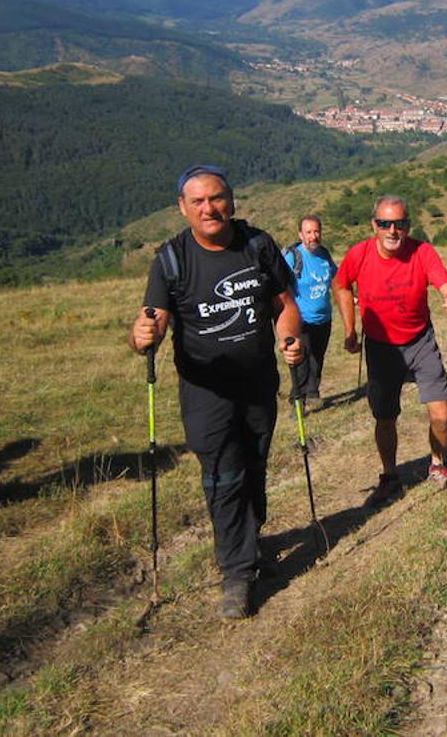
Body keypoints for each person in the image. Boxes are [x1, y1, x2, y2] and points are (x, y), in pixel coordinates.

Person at [128, 164, 303, 619]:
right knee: (224, 474)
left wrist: (291, 337)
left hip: (259, 382)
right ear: (183, 208)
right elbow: (157, 322)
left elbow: (284, 304)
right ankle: (238, 573)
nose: (210, 208)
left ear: (232, 200)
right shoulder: (172, 260)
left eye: (218, 197)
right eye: (199, 201)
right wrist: (142, 336)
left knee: (255, 466)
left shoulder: (258, 245)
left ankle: (249, 538)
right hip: (206, 391)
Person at [333, 195, 447, 506]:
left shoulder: (422, 251)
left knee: (442, 417)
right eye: (385, 224)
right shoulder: (359, 254)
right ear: (373, 225)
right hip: (381, 348)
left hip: (420, 341)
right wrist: (350, 328)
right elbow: (341, 284)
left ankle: (437, 465)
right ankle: (390, 476)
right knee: (385, 417)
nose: (393, 231)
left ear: (408, 226)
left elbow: (446, 285)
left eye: (400, 224)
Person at [283, 215, 338, 411]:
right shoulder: (292, 257)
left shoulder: (324, 254)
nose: (313, 236)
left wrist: (354, 298)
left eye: (316, 231)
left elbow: (335, 279)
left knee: (317, 358)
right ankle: (297, 401)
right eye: (308, 232)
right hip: (301, 319)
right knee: (302, 362)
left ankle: (313, 392)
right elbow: (280, 285)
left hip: (324, 318)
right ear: (300, 234)